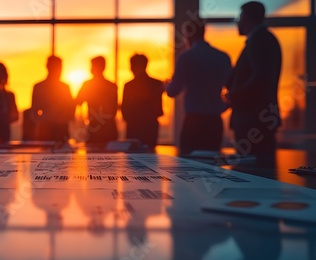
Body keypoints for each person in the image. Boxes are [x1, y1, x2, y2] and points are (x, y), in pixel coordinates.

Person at [226, 1, 282, 164]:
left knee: (252, 173)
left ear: (247, 18)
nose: (238, 21)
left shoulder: (259, 40)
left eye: (240, 17)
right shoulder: (263, 39)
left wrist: (234, 94)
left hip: (253, 121)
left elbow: (261, 78)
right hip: (255, 120)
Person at [166, 18, 232, 155]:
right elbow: (233, 88)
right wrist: (222, 106)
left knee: (188, 168)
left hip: (193, 122)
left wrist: (167, 85)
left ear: (188, 35)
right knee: (212, 167)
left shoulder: (185, 58)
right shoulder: (222, 57)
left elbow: (173, 91)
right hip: (214, 122)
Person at [121, 54, 164, 150]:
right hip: (151, 127)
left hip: (133, 127)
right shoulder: (156, 83)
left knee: (132, 159)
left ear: (134, 66)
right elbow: (158, 110)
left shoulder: (129, 85)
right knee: (150, 157)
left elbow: (125, 109)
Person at [30, 56, 75, 142]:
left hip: (61, 131)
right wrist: (43, 120)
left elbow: (71, 110)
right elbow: (33, 111)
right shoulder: (39, 87)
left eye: (60, 67)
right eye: (57, 67)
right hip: (45, 131)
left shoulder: (65, 87)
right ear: (48, 67)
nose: (59, 70)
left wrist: (62, 119)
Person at [76, 56, 118, 144]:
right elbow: (113, 109)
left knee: (92, 154)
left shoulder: (88, 85)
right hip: (109, 128)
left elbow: (78, 101)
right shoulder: (111, 86)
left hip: (94, 127)